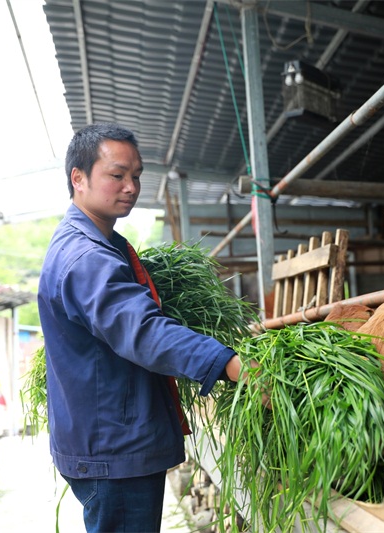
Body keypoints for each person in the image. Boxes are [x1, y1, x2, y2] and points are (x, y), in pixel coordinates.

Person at [37, 123, 242, 532]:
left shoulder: (101, 243)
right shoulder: (86, 257)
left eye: (136, 176)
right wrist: (230, 363)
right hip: (113, 447)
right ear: (78, 178)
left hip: (107, 439)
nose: (131, 187)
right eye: (117, 175)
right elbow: (144, 331)